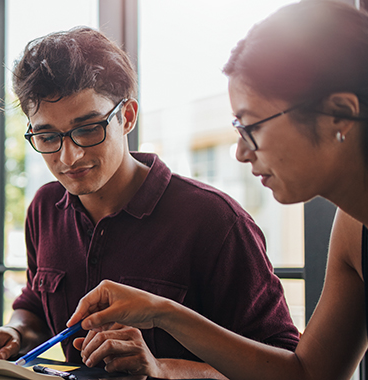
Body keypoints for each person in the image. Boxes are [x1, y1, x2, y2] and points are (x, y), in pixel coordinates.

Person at [0, 27, 299, 379]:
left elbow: (283, 365)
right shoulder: (45, 207)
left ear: (127, 116)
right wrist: (15, 333)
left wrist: (162, 369)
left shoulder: (216, 221)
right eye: (47, 136)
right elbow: (35, 306)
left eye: (87, 129)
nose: (69, 157)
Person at [68, 2, 368, 379]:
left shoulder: (217, 218)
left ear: (339, 114)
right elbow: (308, 373)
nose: (241, 152)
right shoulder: (354, 228)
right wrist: (162, 311)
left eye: (250, 127)